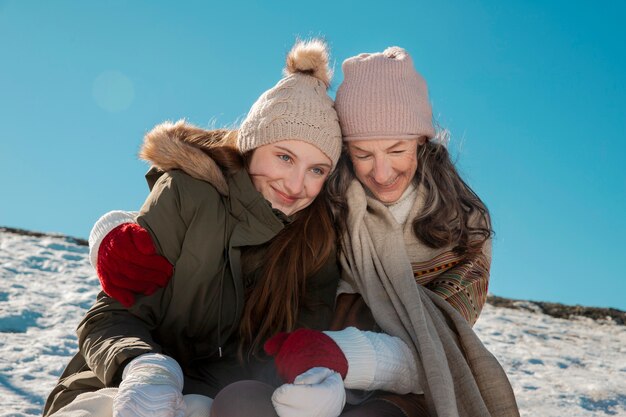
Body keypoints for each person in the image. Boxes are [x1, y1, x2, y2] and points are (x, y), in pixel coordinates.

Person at [80, 47, 521, 417]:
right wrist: (112, 232)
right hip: (191, 366)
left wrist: (339, 362)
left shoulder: (461, 234)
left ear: (422, 143)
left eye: (397, 149)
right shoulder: (325, 203)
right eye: (363, 153)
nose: (382, 172)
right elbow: (222, 171)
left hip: (387, 382)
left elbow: (436, 352)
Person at [42, 38, 344, 417]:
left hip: (218, 399)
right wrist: (142, 367)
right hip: (117, 381)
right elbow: (110, 315)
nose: (296, 185)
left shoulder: (315, 241)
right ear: (252, 145)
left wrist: (312, 378)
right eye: (284, 157)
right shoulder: (189, 192)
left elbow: (290, 346)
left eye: (317, 170)